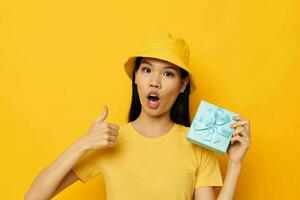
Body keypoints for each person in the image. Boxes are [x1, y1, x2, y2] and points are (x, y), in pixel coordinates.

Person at [25, 32, 251, 200]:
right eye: (147, 69)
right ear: (135, 77)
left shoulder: (197, 146)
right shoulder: (109, 141)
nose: (155, 81)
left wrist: (235, 164)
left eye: (168, 73)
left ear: (182, 85)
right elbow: (33, 197)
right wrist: (82, 144)